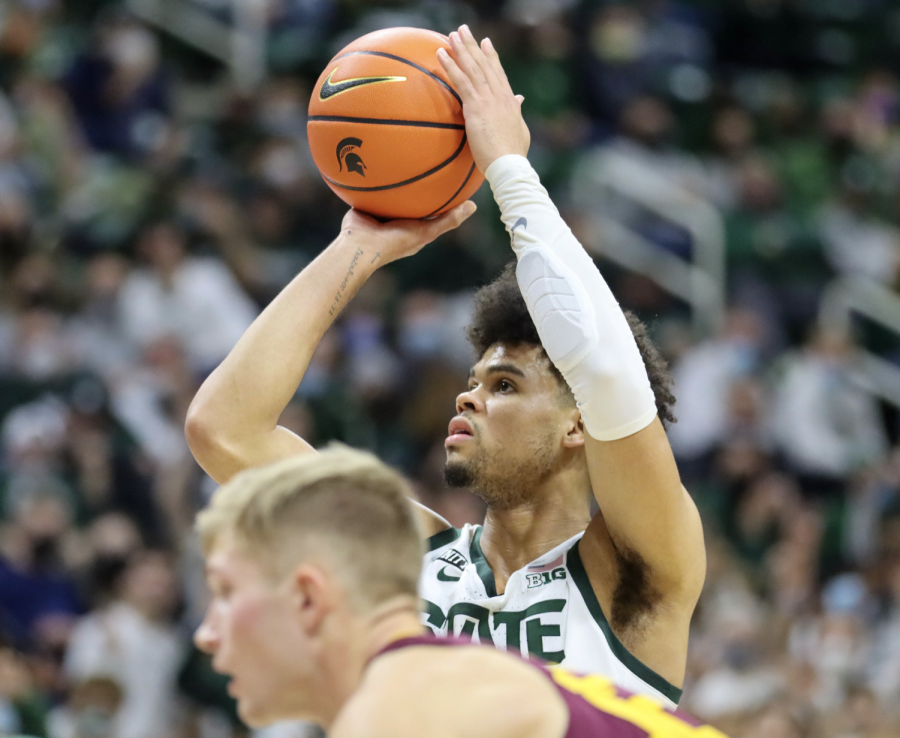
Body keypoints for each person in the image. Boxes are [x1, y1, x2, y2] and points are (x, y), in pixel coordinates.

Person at [185, 25, 705, 706]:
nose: (467, 400)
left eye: (505, 384)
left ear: (579, 425)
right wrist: (358, 248)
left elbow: (605, 370)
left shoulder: (637, 573)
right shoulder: (404, 557)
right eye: (474, 382)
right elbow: (225, 431)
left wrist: (510, 172)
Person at [193, 446, 726, 737]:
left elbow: (625, 406)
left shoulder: (406, 707)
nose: (205, 634)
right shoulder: (430, 675)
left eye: (224, 593)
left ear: (308, 597)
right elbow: (222, 430)